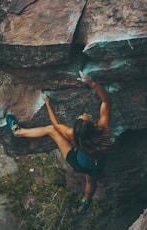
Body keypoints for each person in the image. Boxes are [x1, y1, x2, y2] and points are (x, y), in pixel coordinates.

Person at [6, 71, 112, 212]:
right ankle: (86, 202)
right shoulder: (102, 130)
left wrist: (48, 104)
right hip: (97, 164)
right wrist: (91, 83)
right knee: (90, 181)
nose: (85, 114)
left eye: (83, 117)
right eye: (86, 117)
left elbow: (55, 125)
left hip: (78, 163)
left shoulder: (72, 136)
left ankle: (18, 132)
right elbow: (106, 101)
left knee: (50, 130)